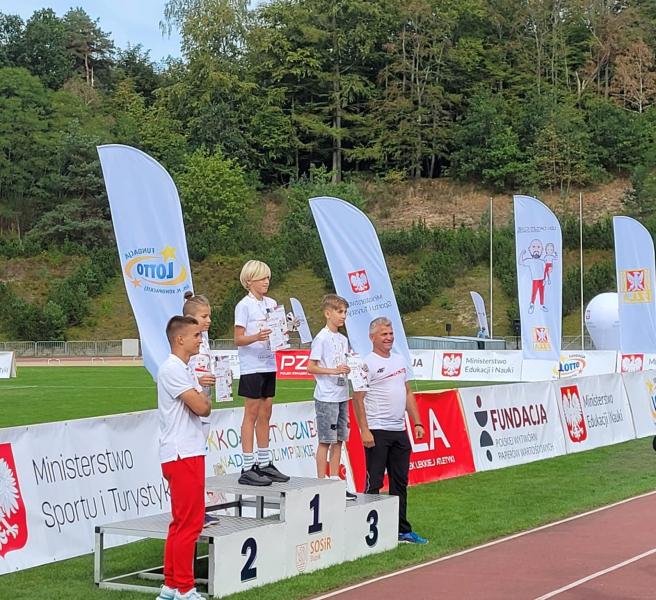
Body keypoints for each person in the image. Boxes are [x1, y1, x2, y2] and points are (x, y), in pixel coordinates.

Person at [352, 317, 429, 545]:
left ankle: (401, 530)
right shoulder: (367, 364)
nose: (389, 338)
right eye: (384, 334)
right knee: (374, 483)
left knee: (400, 483)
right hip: (377, 431)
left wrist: (417, 422)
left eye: (390, 333)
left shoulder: (399, 360)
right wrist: (364, 430)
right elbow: (358, 398)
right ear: (372, 337)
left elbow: (407, 393)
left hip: (399, 431)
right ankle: (366, 532)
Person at [156, 315, 214, 600]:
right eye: (195, 336)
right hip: (183, 452)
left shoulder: (183, 368)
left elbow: (201, 405)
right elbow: (202, 408)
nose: (199, 340)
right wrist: (203, 396)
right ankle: (184, 588)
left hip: (184, 450)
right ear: (179, 339)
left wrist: (202, 395)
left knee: (181, 522)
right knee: (190, 523)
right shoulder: (173, 369)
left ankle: (171, 585)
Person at [234, 260, 289, 486]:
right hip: (252, 366)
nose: (266, 281)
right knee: (252, 413)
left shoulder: (272, 303)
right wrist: (257, 336)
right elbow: (238, 338)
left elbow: (277, 330)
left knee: (266, 412)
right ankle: (248, 464)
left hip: (268, 364)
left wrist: (284, 330)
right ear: (249, 281)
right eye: (262, 278)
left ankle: (265, 462)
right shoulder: (243, 306)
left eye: (268, 277)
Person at [307, 294, 356, 500]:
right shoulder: (321, 338)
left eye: (345, 312)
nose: (343, 316)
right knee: (326, 440)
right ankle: (321, 482)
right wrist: (333, 371)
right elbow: (311, 367)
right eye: (339, 311)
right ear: (328, 313)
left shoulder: (343, 339)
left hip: (342, 394)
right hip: (327, 396)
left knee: (339, 440)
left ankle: (335, 480)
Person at [182, 292, 220, 527]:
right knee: (192, 463)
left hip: (205, 404)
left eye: (209, 316)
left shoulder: (204, 341)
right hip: (192, 407)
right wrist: (200, 381)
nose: (208, 321)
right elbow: (183, 371)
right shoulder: (187, 342)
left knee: (200, 459)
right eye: (204, 316)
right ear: (190, 318)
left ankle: (199, 509)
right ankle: (193, 511)